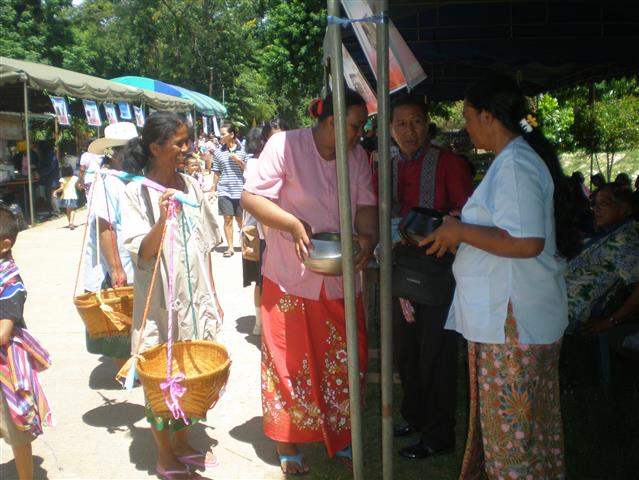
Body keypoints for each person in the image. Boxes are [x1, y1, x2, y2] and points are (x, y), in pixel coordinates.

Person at [423, 74, 578, 479]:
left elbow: (527, 242)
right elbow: (508, 232)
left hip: (512, 323)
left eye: (468, 117)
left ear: (488, 117)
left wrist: (461, 231)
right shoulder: (514, 160)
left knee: (513, 438)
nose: (466, 126)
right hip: (512, 319)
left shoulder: (514, 164)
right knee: (526, 432)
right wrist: (460, 231)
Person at [241, 89, 378, 475]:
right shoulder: (285, 145)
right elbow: (251, 199)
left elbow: (366, 207)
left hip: (339, 278)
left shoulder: (357, 157)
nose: (360, 134)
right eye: (355, 127)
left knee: (345, 360)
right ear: (332, 121)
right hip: (289, 277)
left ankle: (342, 434)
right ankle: (288, 441)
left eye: (362, 127)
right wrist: (291, 224)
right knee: (288, 362)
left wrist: (368, 240)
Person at [120, 112, 222, 480]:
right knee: (160, 374)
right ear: (155, 147)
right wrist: (162, 218)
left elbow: (204, 245)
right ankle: (164, 455)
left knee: (189, 370)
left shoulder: (191, 185)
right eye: (179, 142)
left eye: (187, 140)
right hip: (159, 304)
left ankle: (181, 442)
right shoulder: (136, 192)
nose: (187, 148)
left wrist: (213, 294)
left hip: (194, 298)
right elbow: (144, 252)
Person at [384, 94, 473, 461]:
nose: (409, 131)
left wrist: (437, 224)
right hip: (399, 268)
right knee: (405, 350)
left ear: (428, 124)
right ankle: (415, 417)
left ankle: (439, 434)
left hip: (438, 269)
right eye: (401, 124)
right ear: (390, 129)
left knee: (435, 351)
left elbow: (468, 212)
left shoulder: (448, 162)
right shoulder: (387, 166)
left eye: (417, 122)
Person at [0, 206, 53, 480]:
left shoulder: (10, 283)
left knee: (16, 427)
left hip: (7, 368)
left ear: (5, 244)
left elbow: (3, 334)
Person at [82, 122, 138, 363]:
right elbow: (105, 226)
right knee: (119, 321)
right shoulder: (106, 181)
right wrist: (116, 268)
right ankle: (123, 369)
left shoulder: (129, 178)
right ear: (113, 153)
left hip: (133, 262)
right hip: (117, 266)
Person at [567, 183, 639, 336]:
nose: (596, 209)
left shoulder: (625, 240)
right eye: (594, 204)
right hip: (557, 301)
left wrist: (610, 321)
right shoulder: (610, 233)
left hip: (570, 311)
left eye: (604, 203)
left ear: (625, 208)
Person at [212, 123, 247, 257]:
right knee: (227, 219)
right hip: (224, 190)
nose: (220, 136)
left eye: (223, 134)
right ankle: (230, 247)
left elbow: (248, 169)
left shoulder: (243, 150)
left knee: (240, 220)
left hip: (240, 190)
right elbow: (217, 171)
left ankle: (245, 245)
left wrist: (238, 161)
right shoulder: (218, 152)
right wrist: (213, 188)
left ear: (232, 135)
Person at [53, 165, 79, 229]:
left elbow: (62, 188)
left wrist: (55, 191)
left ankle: (69, 222)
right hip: (73, 196)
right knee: (72, 209)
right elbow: (77, 186)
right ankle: (71, 222)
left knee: (68, 210)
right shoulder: (75, 178)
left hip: (65, 196)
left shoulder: (62, 179)